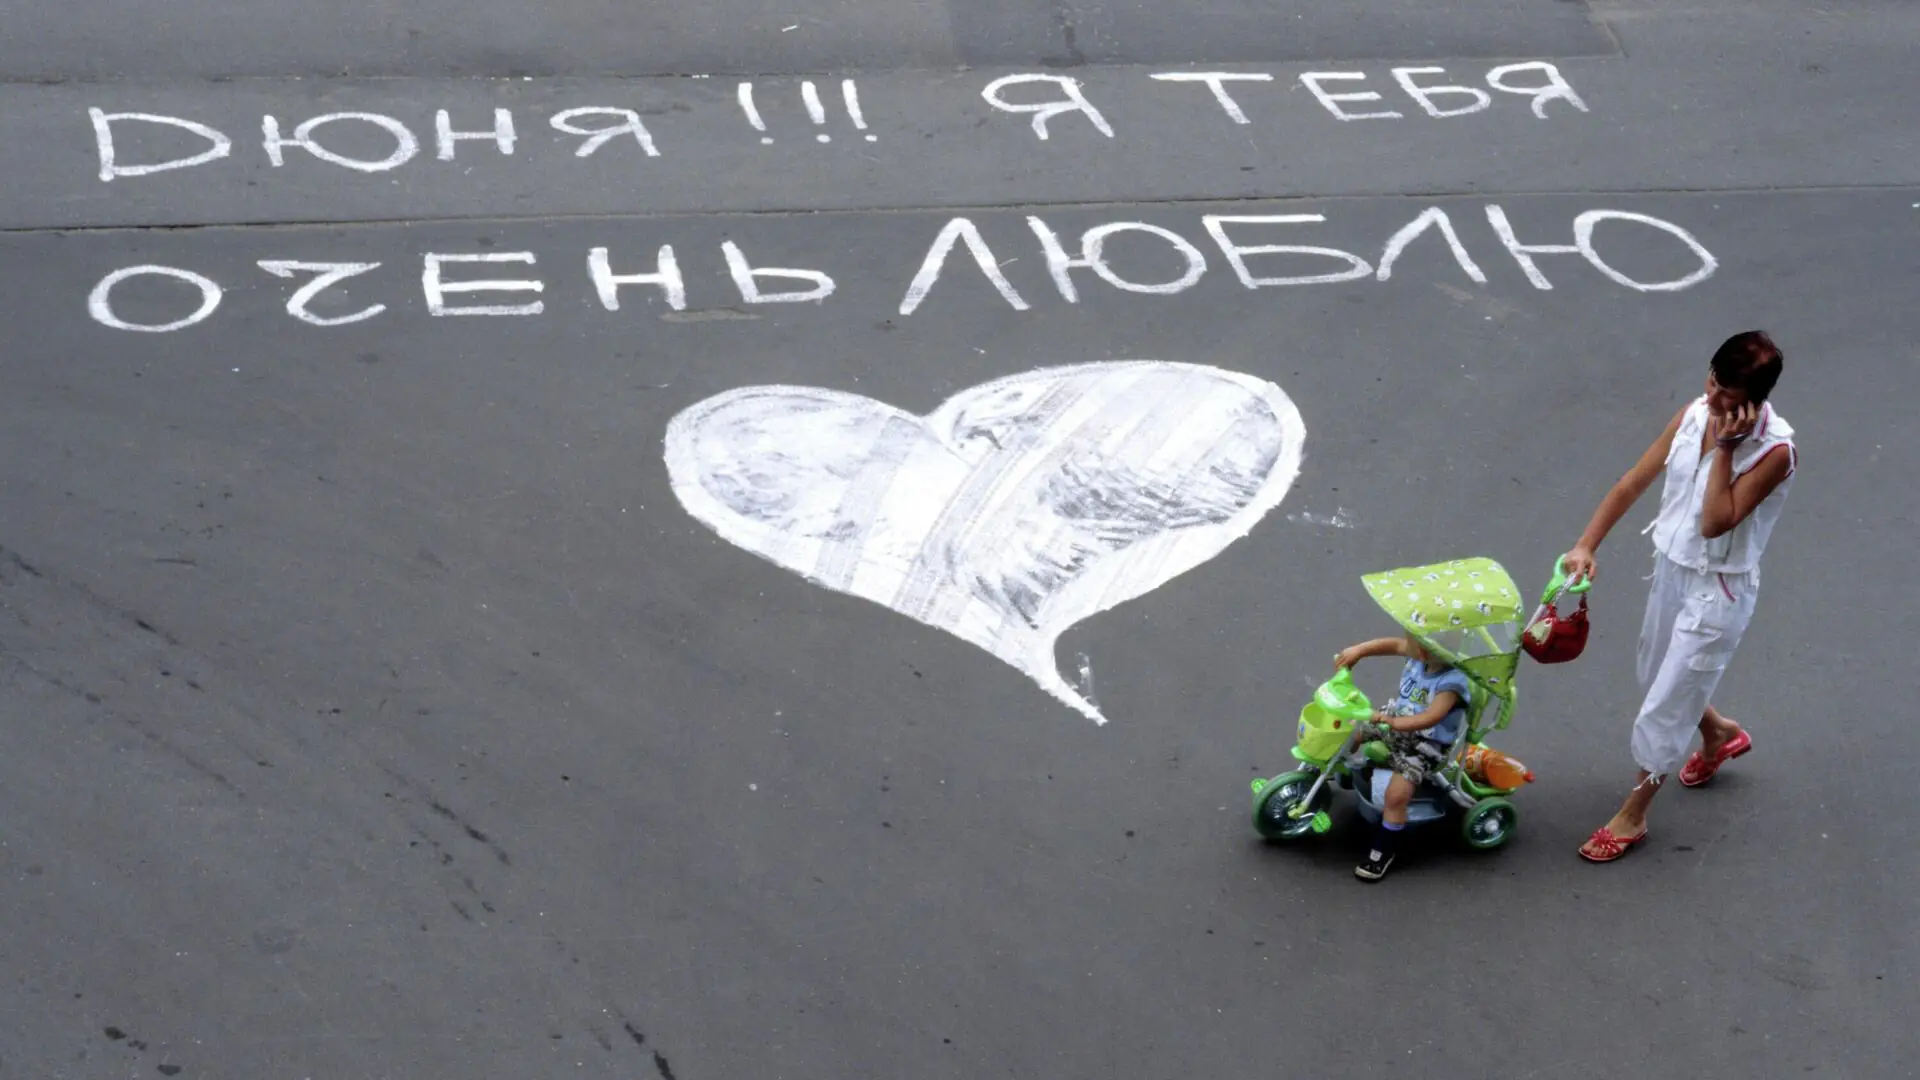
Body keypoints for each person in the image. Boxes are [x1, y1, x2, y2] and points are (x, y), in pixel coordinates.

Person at [1560, 330, 1796, 862]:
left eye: (1727, 396)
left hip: (1719, 590)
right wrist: (1586, 544)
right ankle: (1720, 735)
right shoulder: (1693, 414)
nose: (1712, 398)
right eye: (1712, 382)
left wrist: (1727, 450)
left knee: (1666, 706)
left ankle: (1633, 814)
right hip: (1672, 570)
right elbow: (1633, 481)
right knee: (1657, 675)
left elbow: (1715, 522)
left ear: (1754, 401)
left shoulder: (1775, 451)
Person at [1332, 635, 1473, 880]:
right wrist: (1359, 650)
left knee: (1396, 796)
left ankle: (1383, 850)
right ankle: (1335, 767)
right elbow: (1395, 644)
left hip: (1424, 744)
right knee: (1349, 731)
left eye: (1430, 648)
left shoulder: (1452, 682)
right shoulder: (1419, 653)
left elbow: (1431, 717)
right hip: (1394, 721)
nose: (1419, 651)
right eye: (1418, 643)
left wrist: (1394, 722)